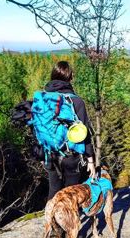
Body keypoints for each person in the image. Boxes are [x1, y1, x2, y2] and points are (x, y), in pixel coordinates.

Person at [44, 61, 96, 200]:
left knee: (54, 191)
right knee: (70, 195)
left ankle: (50, 220)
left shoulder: (45, 99)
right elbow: (85, 134)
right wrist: (91, 161)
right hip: (71, 157)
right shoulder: (77, 102)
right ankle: (70, 221)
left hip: (50, 154)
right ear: (70, 78)